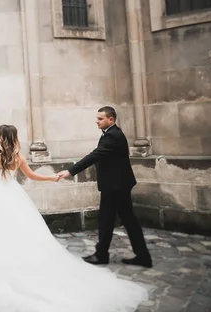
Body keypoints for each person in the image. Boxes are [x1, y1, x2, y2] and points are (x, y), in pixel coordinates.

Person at [0, 124, 148, 312]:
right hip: (12, 194)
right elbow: (32, 176)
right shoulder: (18, 156)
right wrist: (52, 177)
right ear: (14, 138)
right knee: (18, 229)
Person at [57, 106, 152, 268]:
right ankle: (141, 256)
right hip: (118, 185)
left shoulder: (112, 136)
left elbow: (94, 155)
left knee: (107, 220)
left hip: (115, 186)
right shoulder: (112, 134)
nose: (97, 121)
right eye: (97, 118)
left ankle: (102, 255)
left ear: (111, 119)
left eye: (100, 118)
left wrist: (70, 171)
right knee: (127, 220)